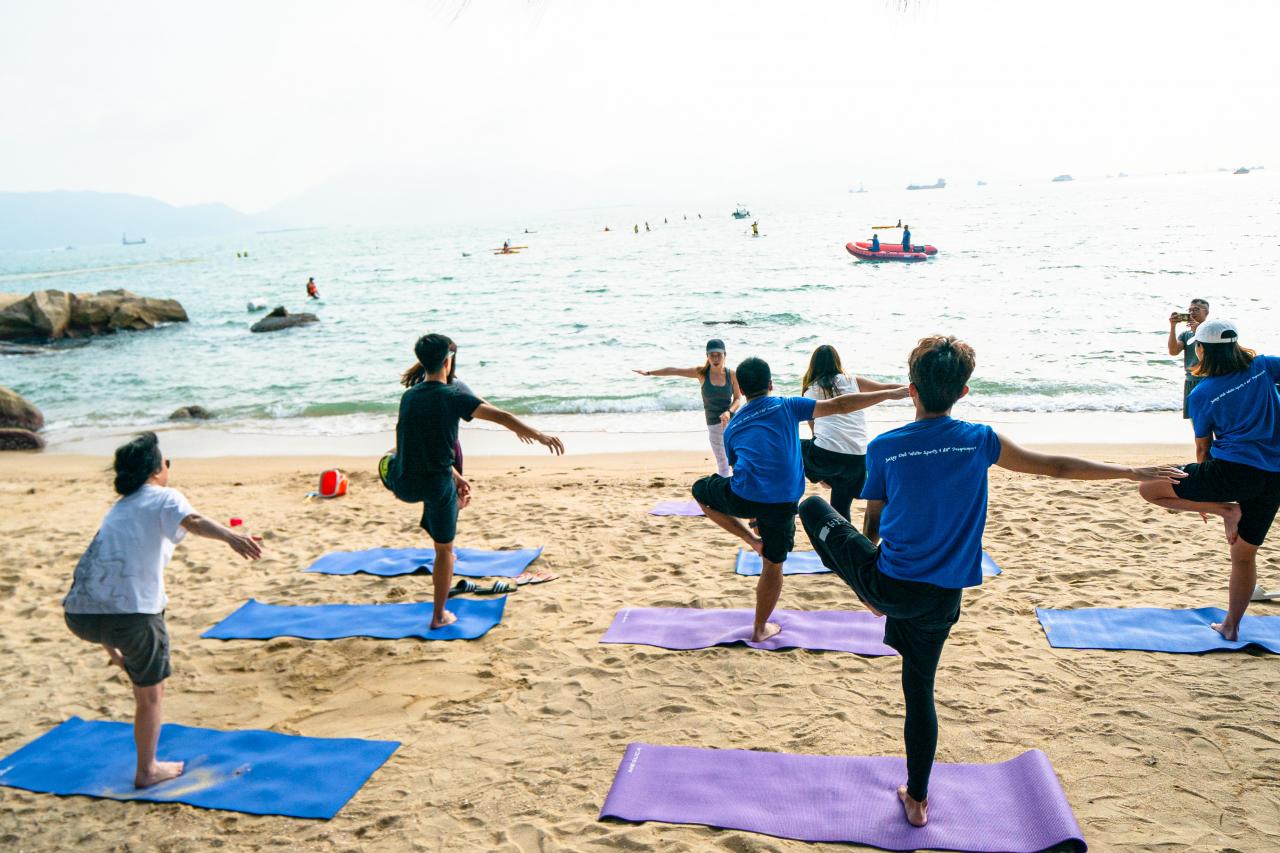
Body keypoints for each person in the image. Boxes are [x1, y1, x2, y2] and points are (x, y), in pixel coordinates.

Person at [796, 335, 1184, 828]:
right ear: (963, 392)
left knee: (813, 505)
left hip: (888, 583)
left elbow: (873, 521)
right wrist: (1131, 471)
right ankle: (918, 801)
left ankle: (871, 597)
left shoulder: (885, 447)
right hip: (942, 598)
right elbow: (1057, 467)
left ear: (911, 389)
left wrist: (867, 576)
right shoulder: (981, 440)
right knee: (919, 689)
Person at [62, 432, 263, 788]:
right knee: (150, 695)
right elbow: (193, 521)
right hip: (130, 619)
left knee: (126, 628)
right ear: (157, 470)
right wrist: (232, 537)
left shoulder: (119, 508)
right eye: (166, 462)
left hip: (80, 616)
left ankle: (119, 653)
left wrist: (113, 651)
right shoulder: (164, 496)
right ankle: (148, 770)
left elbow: (92, 570)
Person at [693, 356, 910, 643]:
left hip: (744, 496)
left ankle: (751, 541)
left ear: (741, 391)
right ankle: (759, 627)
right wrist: (892, 393)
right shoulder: (787, 405)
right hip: (783, 503)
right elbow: (841, 405)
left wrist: (754, 520)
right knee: (774, 564)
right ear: (771, 384)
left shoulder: (732, 426)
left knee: (701, 491)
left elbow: (742, 468)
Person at [383, 334, 564, 629]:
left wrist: (456, 475)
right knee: (445, 551)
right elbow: (501, 416)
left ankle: (418, 477)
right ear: (447, 362)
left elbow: (423, 449)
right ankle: (439, 616)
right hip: (438, 486)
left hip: (405, 483)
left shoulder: (410, 397)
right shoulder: (453, 396)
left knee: (393, 454)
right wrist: (540, 436)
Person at [1140, 320, 1280, 641]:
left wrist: (1207, 498)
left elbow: (1203, 449)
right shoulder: (1263, 367)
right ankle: (1231, 626)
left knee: (1148, 487)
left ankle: (1225, 510)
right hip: (1274, 478)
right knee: (1243, 556)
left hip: (1230, 473)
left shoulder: (1201, 393)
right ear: (1235, 346)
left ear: (1201, 350)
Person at [801, 345, 906, 521]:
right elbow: (886, 387)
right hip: (857, 459)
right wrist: (915, 389)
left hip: (827, 457)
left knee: (790, 446)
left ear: (813, 366)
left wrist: (820, 474)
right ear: (837, 362)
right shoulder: (852, 381)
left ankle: (816, 481)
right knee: (841, 508)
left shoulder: (810, 390)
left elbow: (815, 431)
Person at [634, 340, 743, 477]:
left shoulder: (732, 374)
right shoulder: (701, 373)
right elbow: (674, 370)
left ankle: (740, 486)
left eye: (719, 355)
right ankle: (726, 488)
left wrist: (729, 412)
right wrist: (649, 372)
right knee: (722, 463)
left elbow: (738, 399)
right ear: (707, 356)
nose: (715, 359)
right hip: (713, 425)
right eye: (712, 355)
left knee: (736, 461)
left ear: (725, 355)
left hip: (731, 422)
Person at [1167, 298, 1210, 418]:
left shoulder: (1212, 331)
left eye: (1196, 309)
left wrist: (1199, 332)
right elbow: (1173, 351)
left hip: (1208, 379)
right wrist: (1172, 326)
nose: (1192, 313)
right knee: (1194, 418)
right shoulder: (1185, 335)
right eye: (1190, 310)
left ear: (1206, 312)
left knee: (1210, 418)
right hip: (1191, 380)